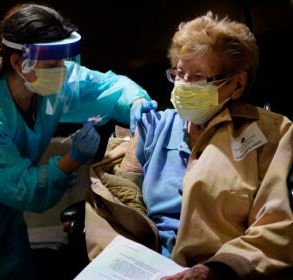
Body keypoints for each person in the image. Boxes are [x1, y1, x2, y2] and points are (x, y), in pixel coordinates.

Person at [0, 3, 156, 280]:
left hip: (3, 213)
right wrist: (72, 159)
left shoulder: (47, 80)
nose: (62, 71)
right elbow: (24, 189)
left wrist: (135, 101)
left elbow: (109, 88)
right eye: (52, 64)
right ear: (17, 62)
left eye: (63, 63)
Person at [84, 10, 292, 280]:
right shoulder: (154, 127)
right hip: (149, 267)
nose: (182, 85)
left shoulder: (269, 133)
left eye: (197, 78)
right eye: (179, 73)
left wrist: (216, 270)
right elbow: (113, 203)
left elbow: (277, 225)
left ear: (236, 85)